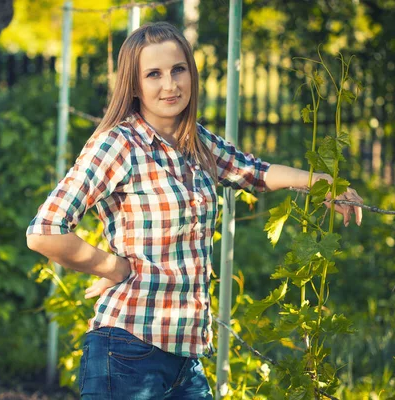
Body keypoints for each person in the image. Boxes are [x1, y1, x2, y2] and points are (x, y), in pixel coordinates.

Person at [26, 22, 363, 400]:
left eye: (178, 70)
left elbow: (255, 172)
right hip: (128, 351)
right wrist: (113, 267)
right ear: (134, 85)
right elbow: (45, 230)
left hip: (186, 358)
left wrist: (322, 181)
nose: (169, 85)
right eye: (153, 74)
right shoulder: (119, 144)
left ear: (191, 73)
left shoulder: (195, 142)